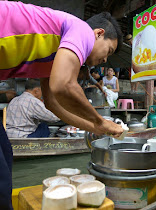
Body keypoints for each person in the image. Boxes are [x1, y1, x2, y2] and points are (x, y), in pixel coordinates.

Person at [0, 2, 124, 208]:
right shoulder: (81, 29)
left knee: (5, 155)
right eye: (109, 51)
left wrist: (95, 127)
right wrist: (100, 120)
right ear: (99, 33)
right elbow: (64, 84)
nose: (104, 60)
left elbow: (53, 104)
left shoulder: (53, 54)